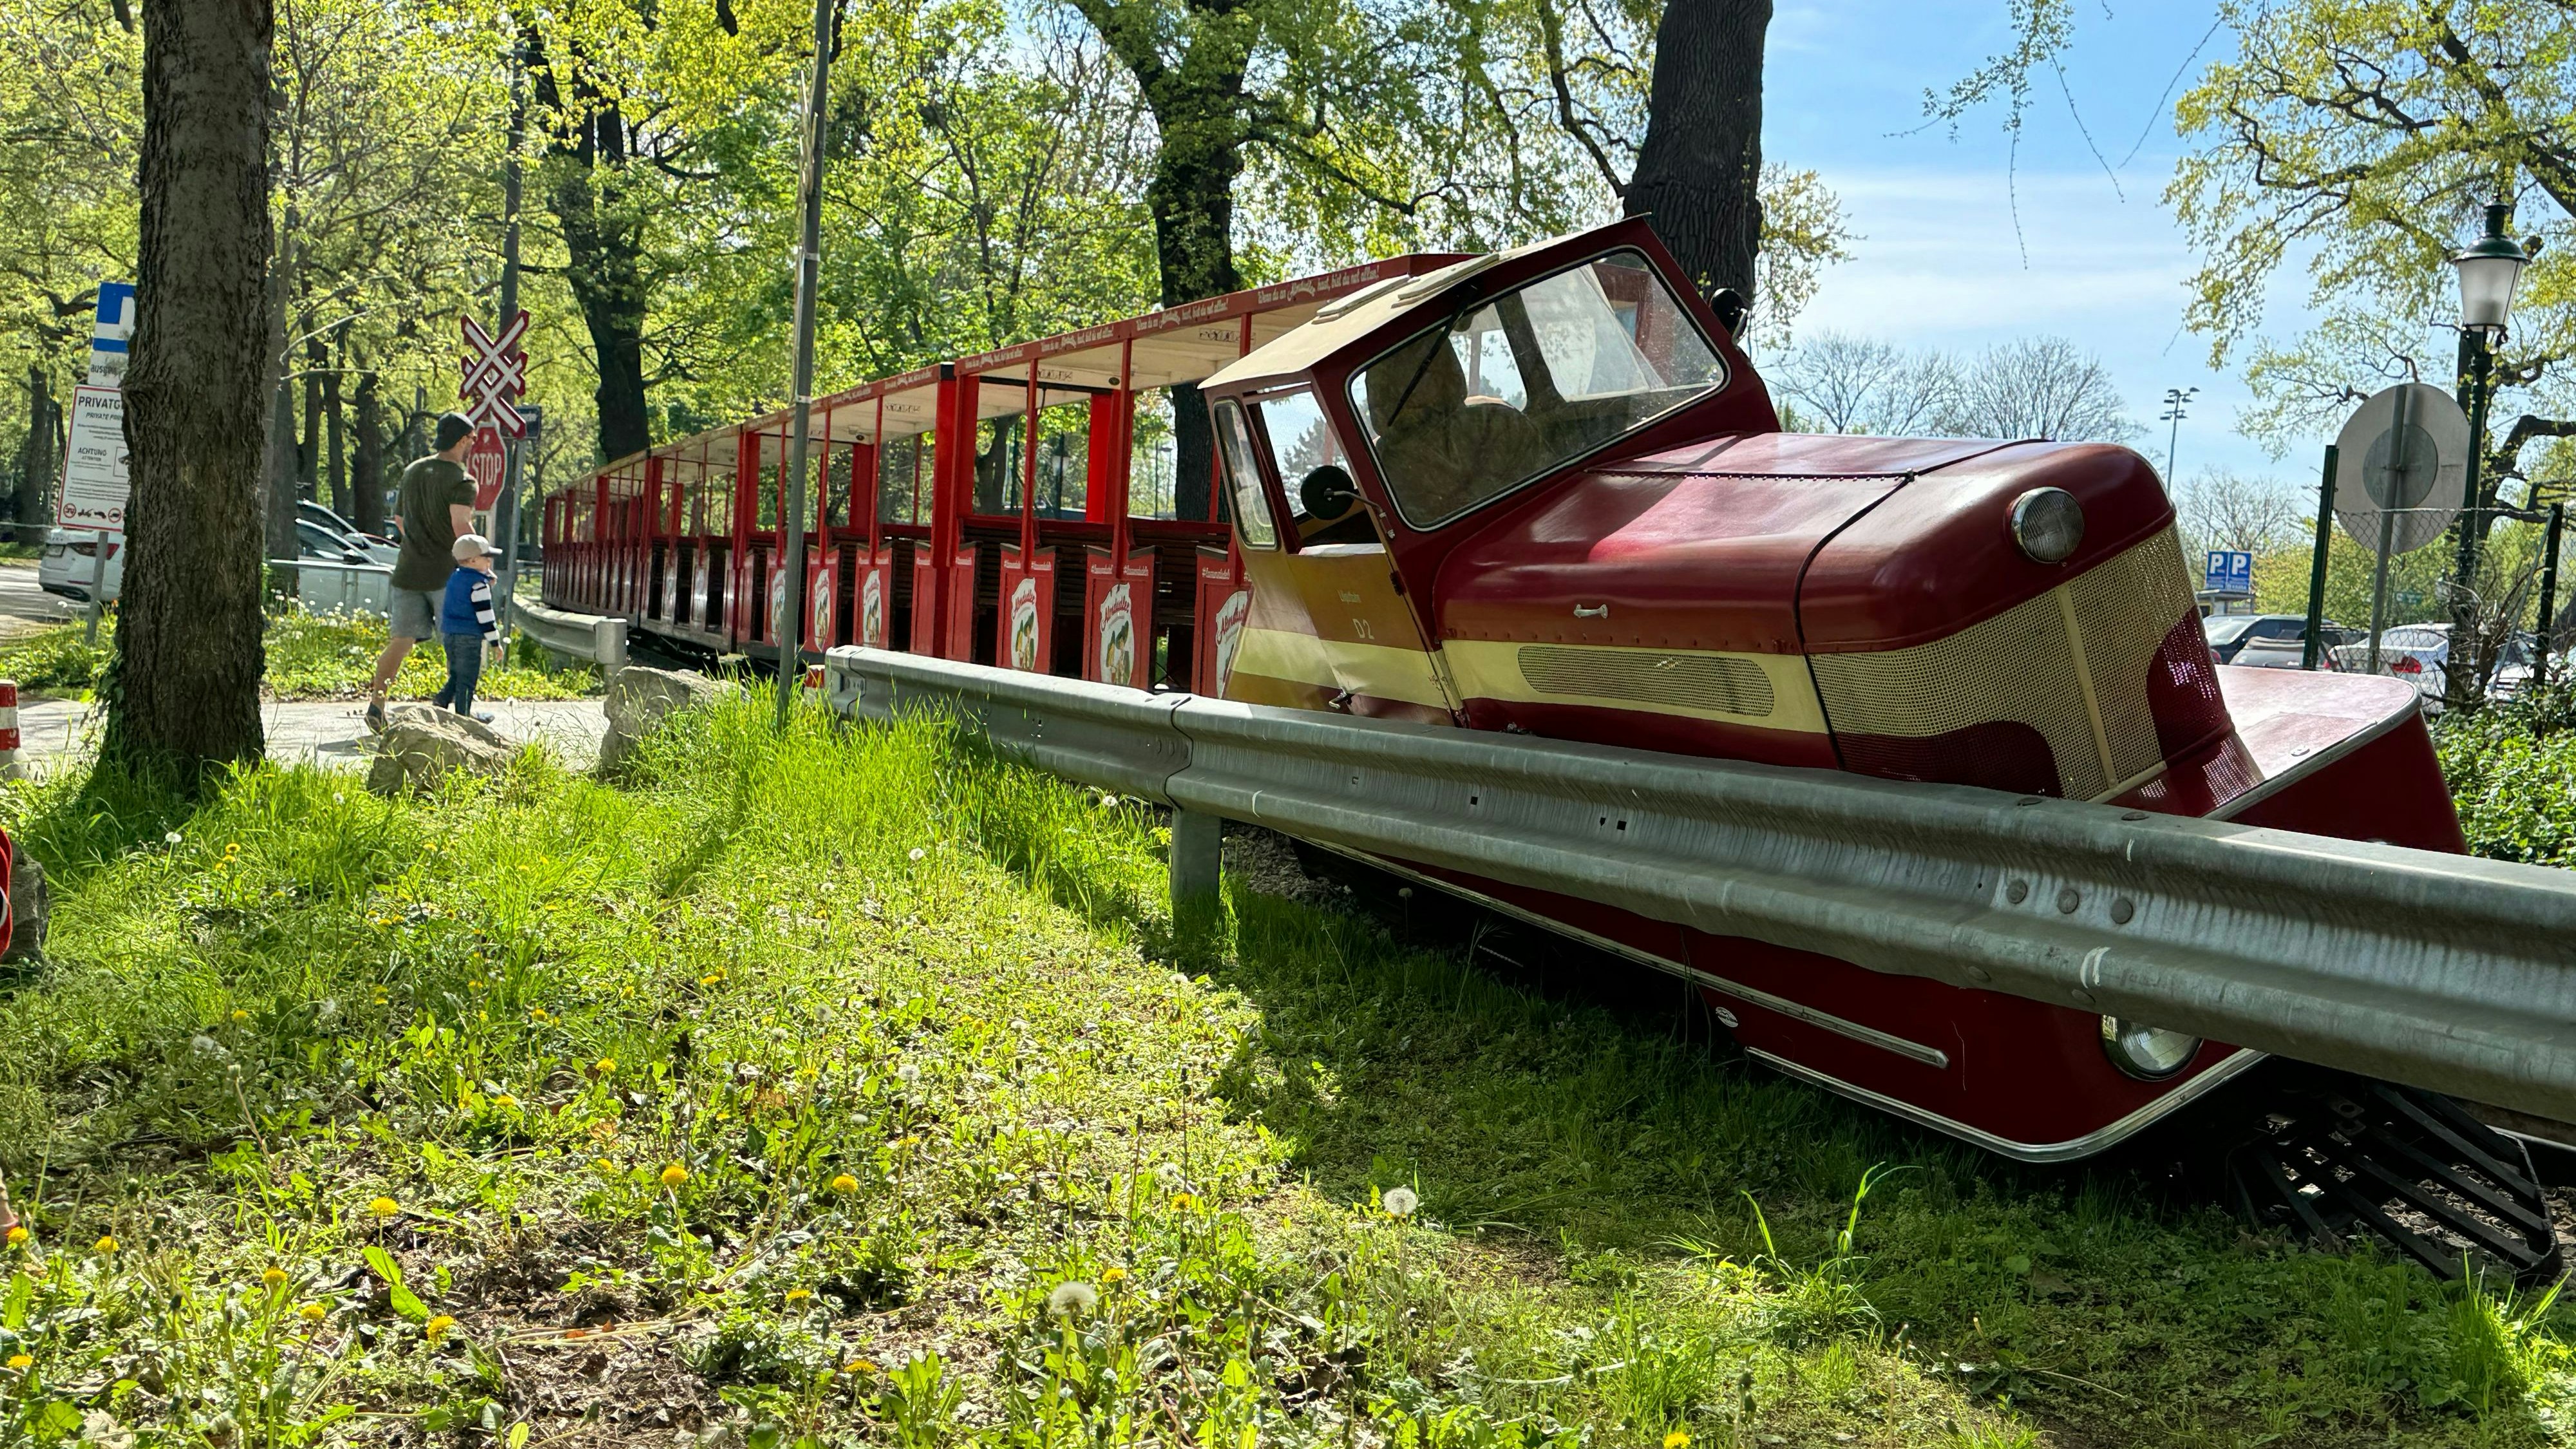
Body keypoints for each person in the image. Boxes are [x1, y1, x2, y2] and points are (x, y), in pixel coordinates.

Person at [365, 413, 479, 732]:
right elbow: (461, 525)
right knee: (457, 641)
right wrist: (480, 561)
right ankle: (459, 713)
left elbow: (400, 521)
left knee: (400, 641)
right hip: (448, 575)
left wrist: (421, 537)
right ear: (461, 440)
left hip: (408, 570)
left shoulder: (413, 471)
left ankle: (377, 704)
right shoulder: (462, 480)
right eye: (471, 438)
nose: (472, 443)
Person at [434, 534, 504, 719]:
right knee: (468, 678)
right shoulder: (479, 586)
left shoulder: (454, 578)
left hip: (450, 634)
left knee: (457, 673)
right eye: (486, 557)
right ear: (473, 560)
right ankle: (463, 716)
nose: (489, 561)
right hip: (470, 637)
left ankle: (441, 700)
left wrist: (486, 579)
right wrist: (495, 642)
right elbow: (485, 616)